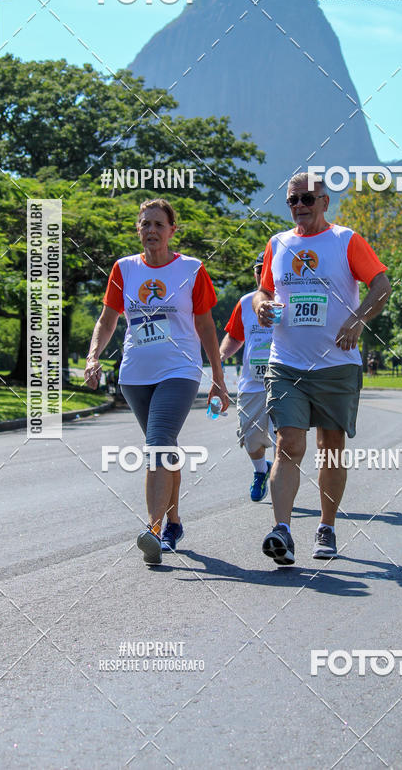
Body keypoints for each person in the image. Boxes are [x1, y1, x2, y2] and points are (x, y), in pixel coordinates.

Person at [253, 172, 391, 564]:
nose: (299, 207)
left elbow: (381, 285)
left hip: (335, 366)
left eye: (307, 200)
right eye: (293, 201)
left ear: (325, 202)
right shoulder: (278, 243)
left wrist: (359, 319)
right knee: (289, 443)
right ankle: (282, 530)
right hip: (286, 363)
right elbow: (265, 289)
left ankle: (326, 526)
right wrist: (261, 304)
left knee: (331, 450)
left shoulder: (346, 240)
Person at [84, 198, 229, 566]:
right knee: (164, 447)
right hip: (134, 375)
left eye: (158, 225)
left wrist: (218, 377)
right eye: (145, 224)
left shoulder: (192, 269)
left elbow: (206, 325)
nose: (151, 230)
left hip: (179, 370)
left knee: (157, 444)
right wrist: (93, 356)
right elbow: (108, 319)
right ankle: (174, 523)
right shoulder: (124, 269)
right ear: (139, 229)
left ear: (172, 231)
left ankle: (152, 530)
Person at [219, 251, 275, 502]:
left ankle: (282, 486)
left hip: (284, 382)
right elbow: (234, 337)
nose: (264, 273)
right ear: (255, 274)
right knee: (251, 439)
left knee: (284, 438)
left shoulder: (290, 300)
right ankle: (261, 471)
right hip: (253, 383)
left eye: (269, 268)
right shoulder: (245, 303)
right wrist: (218, 358)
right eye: (259, 269)